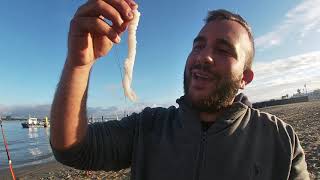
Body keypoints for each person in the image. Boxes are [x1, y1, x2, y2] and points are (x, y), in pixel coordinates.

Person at [50, 0, 310, 179]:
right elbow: (72, 148)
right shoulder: (148, 127)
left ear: (245, 77)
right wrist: (78, 65)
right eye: (198, 46)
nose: (203, 57)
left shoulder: (280, 140)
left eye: (223, 50)